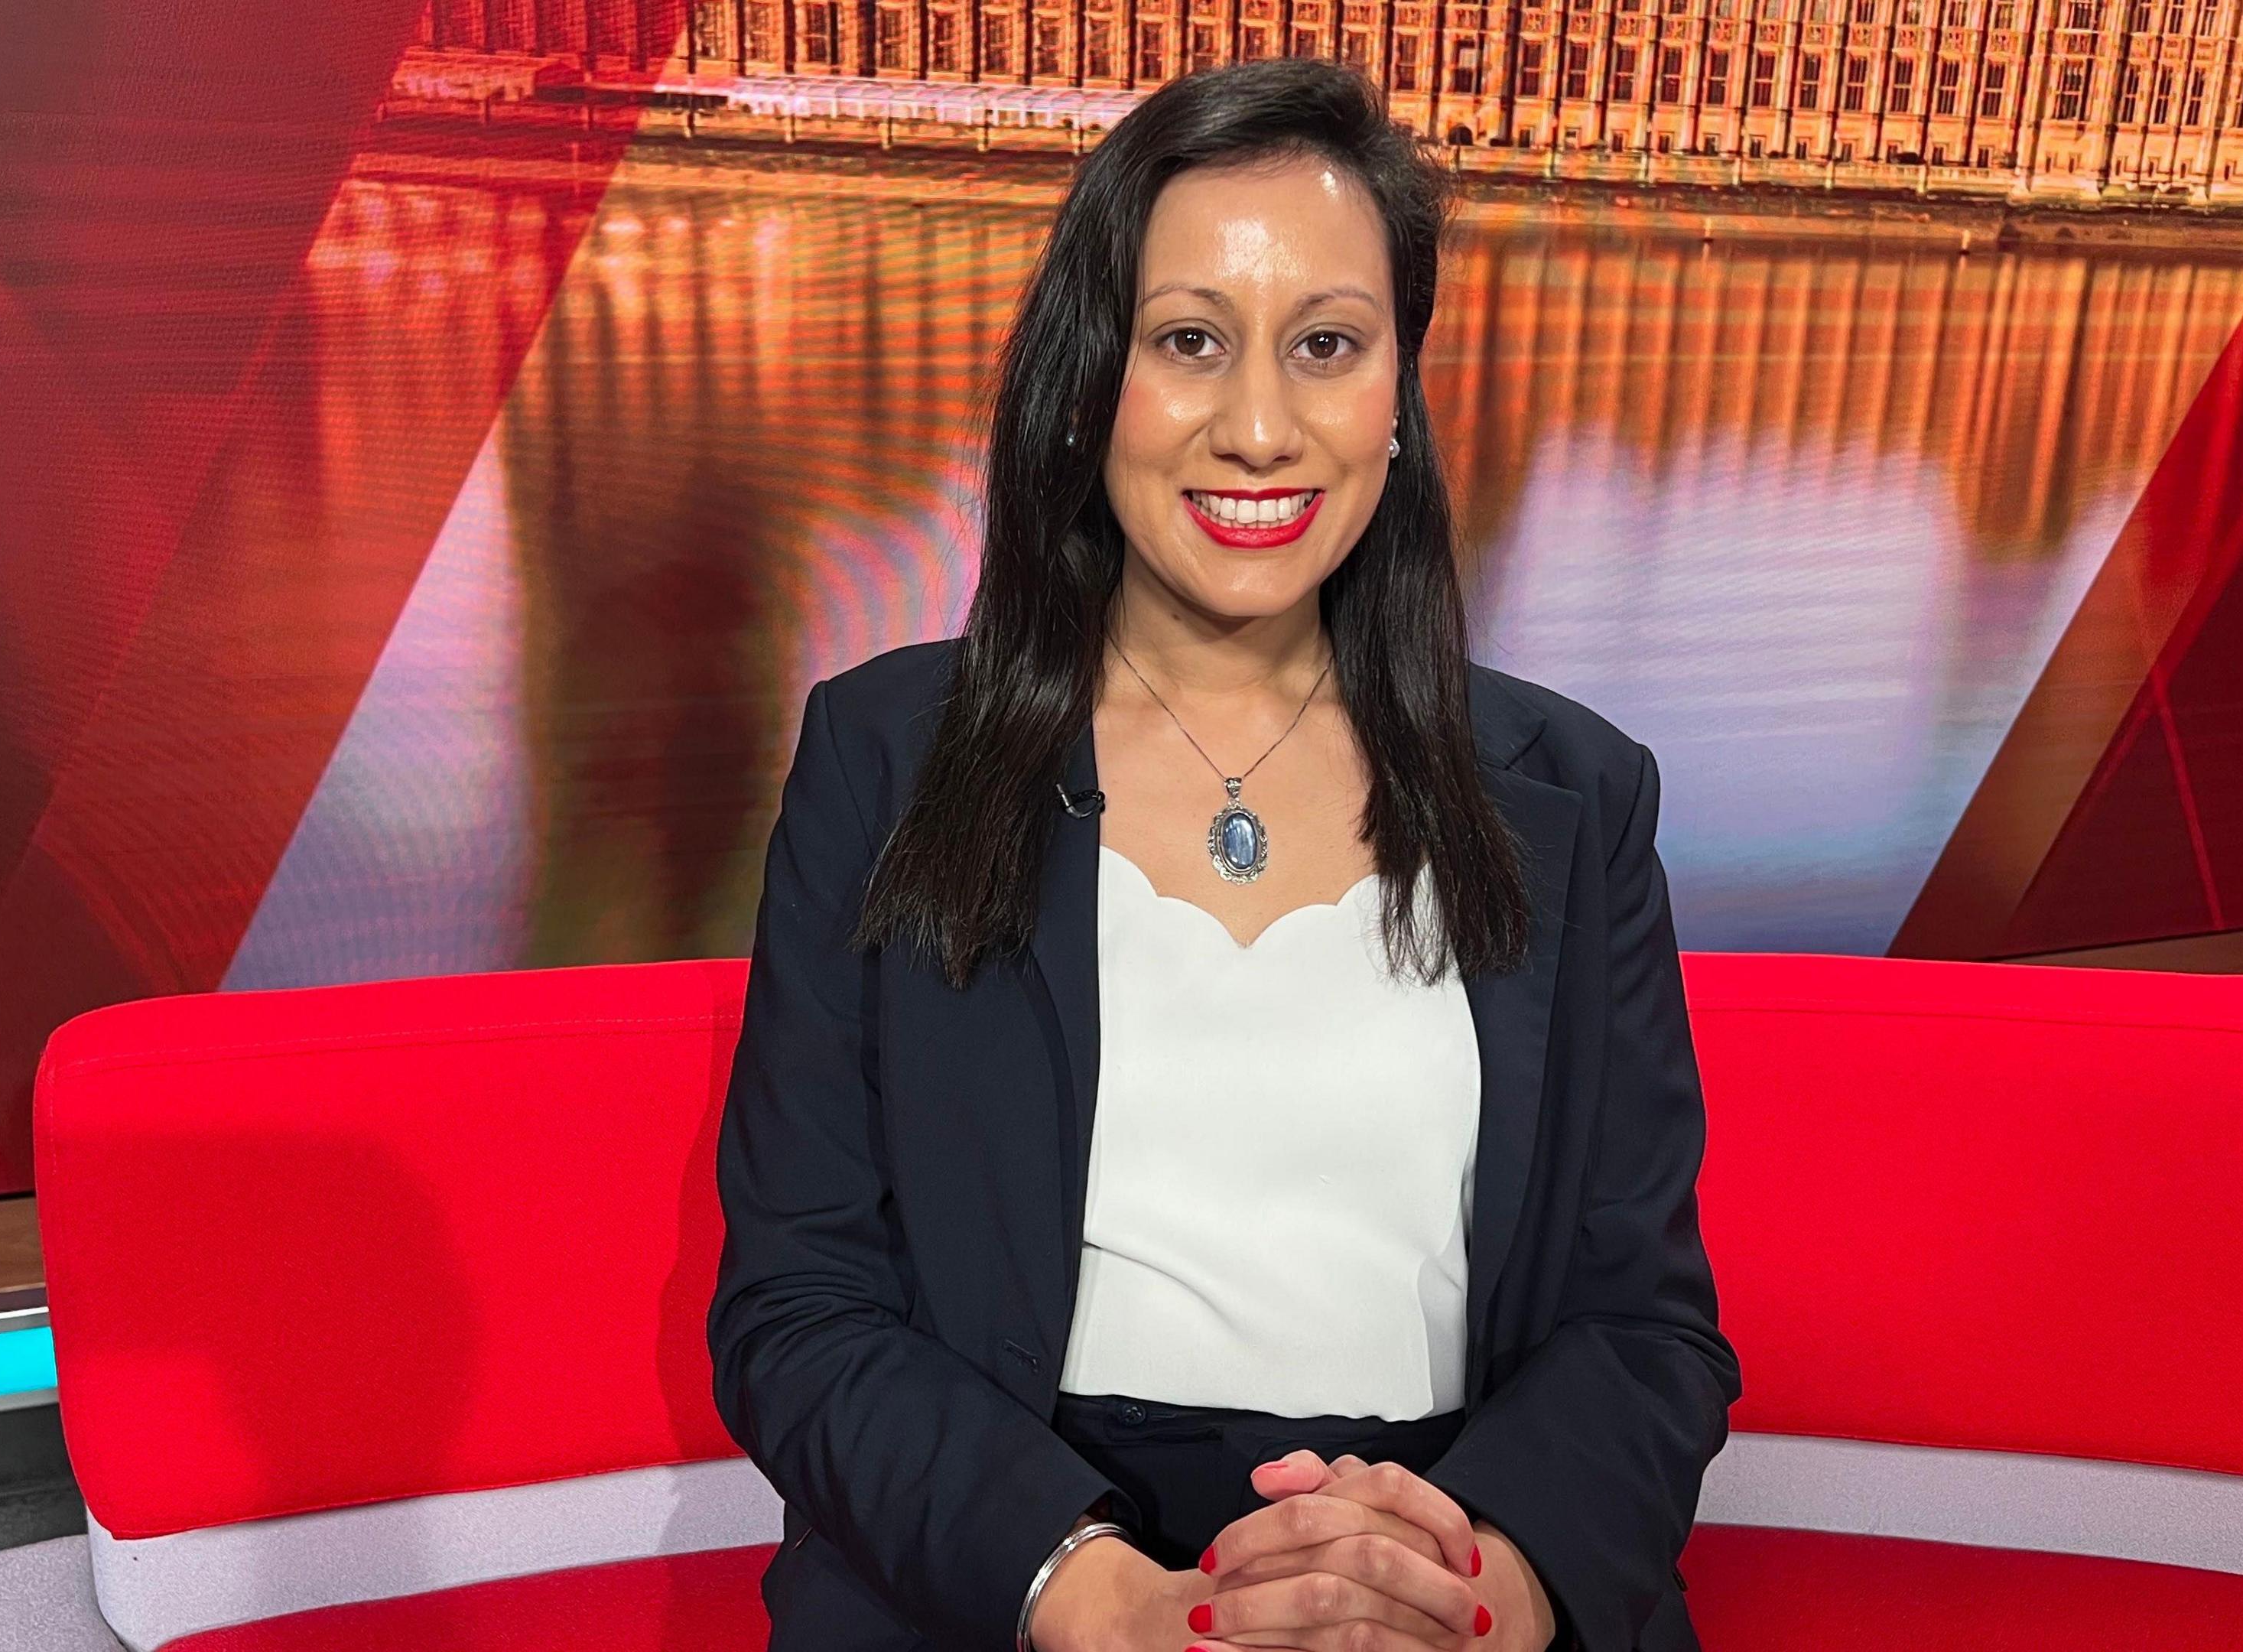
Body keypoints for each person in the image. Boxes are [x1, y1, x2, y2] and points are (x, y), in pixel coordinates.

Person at [706, 56, 1738, 1652]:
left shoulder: (1578, 799)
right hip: (1010, 1578)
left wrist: (1483, 1593)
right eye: (1189, 342)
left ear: (1399, 396)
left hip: (1438, 1568)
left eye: (1327, 347)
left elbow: (1647, 1330)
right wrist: (1089, 1594)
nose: (1260, 429)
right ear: (1083, 386)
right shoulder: (885, 759)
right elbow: (798, 1309)